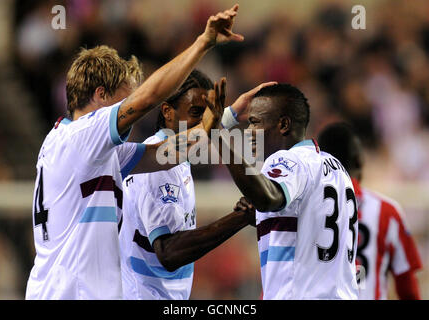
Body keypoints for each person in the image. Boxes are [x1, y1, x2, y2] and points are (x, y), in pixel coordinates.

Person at [26, 4, 244, 300]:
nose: (131, 115)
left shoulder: (86, 149)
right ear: (101, 95)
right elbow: (149, 99)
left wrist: (225, 118)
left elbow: (167, 152)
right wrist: (203, 42)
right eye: (122, 102)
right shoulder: (82, 136)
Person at [119, 69, 272, 299]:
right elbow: (168, 252)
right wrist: (240, 217)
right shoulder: (160, 169)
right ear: (167, 112)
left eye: (211, 114)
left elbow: (200, 132)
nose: (207, 122)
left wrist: (230, 114)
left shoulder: (174, 157)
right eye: (196, 112)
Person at [208, 83, 359, 299]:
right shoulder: (336, 167)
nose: (249, 132)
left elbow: (269, 198)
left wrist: (217, 134)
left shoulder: (287, 160)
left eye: (255, 123)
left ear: (284, 125)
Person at [317, 122, 422, 300]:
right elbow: (407, 286)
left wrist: (251, 138)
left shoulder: (300, 208)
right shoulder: (387, 212)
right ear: (359, 159)